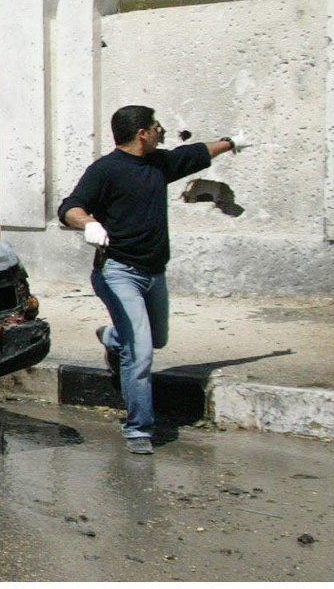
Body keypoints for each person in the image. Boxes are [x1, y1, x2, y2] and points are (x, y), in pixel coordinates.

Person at [58, 105, 248, 455]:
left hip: (154, 274)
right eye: (156, 126)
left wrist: (231, 142)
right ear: (142, 133)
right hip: (118, 272)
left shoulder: (159, 164)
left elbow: (196, 153)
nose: (162, 130)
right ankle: (138, 429)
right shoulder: (105, 170)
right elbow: (70, 206)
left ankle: (112, 337)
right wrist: (89, 224)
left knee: (155, 339)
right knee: (141, 353)